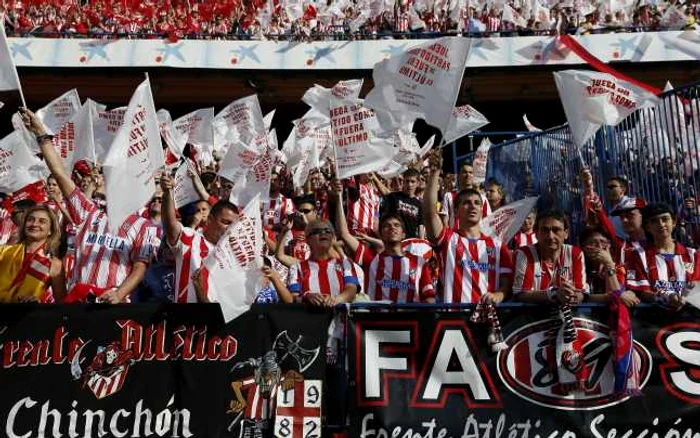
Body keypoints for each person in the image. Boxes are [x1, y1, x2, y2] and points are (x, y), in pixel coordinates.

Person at [21, 107, 153, 304]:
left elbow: (140, 267)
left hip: (114, 305)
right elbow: (59, 173)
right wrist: (41, 134)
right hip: (78, 304)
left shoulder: (144, 226)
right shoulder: (89, 213)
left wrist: (118, 294)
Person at [423, 151, 512, 304]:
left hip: (488, 319)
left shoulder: (498, 246)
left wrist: (499, 295)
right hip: (453, 320)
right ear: (456, 211)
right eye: (466, 203)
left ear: (482, 209)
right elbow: (429, 214)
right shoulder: (448, 239)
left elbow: (506, 283)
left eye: (477, 203)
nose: (472, 206)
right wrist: (434, 174)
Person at [333, 180, 434, 303]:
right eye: (387, 225)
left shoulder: (419, 262)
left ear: (403, 234)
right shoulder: (370, 259)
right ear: (380, 234)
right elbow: (344, 233)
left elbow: (429, 297)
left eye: (397, 225)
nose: (392, 227)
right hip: (377, 321)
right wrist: (338, 196)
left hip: (409, 321)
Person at [160, 173, 239, 303]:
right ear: (209, 220)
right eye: (225, 222)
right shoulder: (190, 237)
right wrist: (168, 193)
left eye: (233, 225)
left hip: (217, 320)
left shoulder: (232, 254)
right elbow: (170, 225)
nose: (229, 228)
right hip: (186, 320)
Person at [625, 204, 699, 309]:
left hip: (690, 319)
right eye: (654, 221)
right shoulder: (638, 256)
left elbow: (696, 286)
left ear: (673, 222)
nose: (661, 224)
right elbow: (642, 292)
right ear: (647, 227)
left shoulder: (692, 255)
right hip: (656, 321)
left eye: (665, 219)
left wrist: (688, 294)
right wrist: (665, 297)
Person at [275, 219, 359, 307]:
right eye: (317, 231)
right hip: (310, 319)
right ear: (307, 240)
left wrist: (334, 300)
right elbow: (293, 297)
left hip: (338, 319)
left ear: (333, 237)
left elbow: (351, 291)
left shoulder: (345, 264)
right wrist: (306, 297)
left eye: (327, 231)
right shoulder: (297, 267)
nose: (323, 233)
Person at [513, 210, 588, 304]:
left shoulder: (575, 253)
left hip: (568, 314)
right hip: (532, 316)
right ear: (536, 234)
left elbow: (581, 292)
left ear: (566, 233)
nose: (550, 236)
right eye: (545, 230)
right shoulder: (525, 254)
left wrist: (573, 296)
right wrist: (553, 294)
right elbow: (521, 294)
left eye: (556, 230)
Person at [0, 205, 66, 303]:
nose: (34, 224)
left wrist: (38, 303)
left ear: (50, 230)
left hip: (24, 316)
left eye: (42, 221)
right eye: (30, 220)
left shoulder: (54, 264)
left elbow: (61, 304)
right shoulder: (4, 251)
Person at [440, 161, 491, 229]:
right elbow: (445, 221)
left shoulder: (482, 198)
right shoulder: (449, 196)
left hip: (476, 238)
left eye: (470, 173)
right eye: (464, 172)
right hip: (455, 237)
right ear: (459, 176)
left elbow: (488, 222)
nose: (468, 175)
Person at [380, 168, 424, 239]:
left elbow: (420, 226)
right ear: (403, 182)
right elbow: (385, 218)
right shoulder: (393, 197)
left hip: (410, 242)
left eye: (413, 181)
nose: (409, 184)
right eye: (407, 181)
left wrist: (422, 242)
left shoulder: (419, 204)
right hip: (394, 239)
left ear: (418, 183)